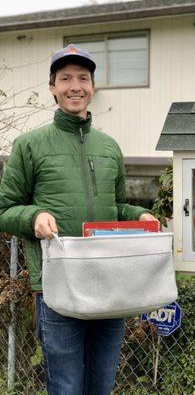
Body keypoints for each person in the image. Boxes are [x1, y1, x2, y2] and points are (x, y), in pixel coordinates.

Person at [0, 44, 157, 395]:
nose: (75, 86)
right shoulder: (29, 145)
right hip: (58, 286)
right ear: (52, 87)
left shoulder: (109, 147)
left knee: (101, 386)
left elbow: (116, 207)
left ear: (93, 87)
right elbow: (5, 210)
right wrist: (35, 215)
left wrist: (141, 214)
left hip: (110, 283)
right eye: (66, 78)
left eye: (83, 78)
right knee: (67, 387)